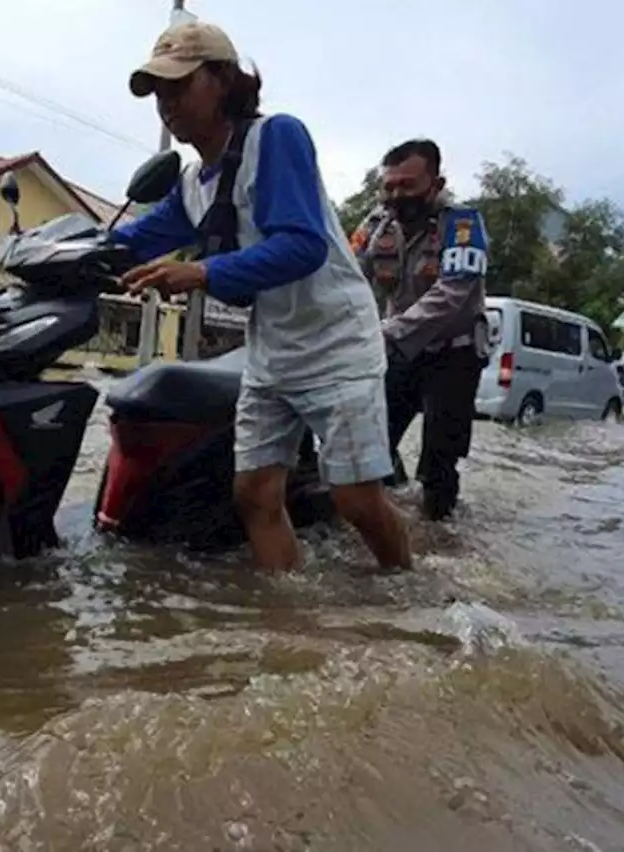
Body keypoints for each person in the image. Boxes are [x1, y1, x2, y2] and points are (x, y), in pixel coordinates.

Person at [112, 20, 412, 573]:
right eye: (159, 91)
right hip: (271, 350)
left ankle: (406, 593)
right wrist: (66, 248)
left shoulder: (275, 137)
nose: (166, 103)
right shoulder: (191, 184)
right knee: (253, 494)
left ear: (222, 80)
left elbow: (302, 247)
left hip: (335, 342)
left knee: (355, 501)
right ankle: (289, 618)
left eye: (179, 85)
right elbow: (136, 237)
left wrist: (201, 272)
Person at [351, 139, 491, 522]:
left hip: (454, 354)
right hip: (399, 350)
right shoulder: (375, 225)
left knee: (439, 463)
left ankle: (437, 533)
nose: (397, 196)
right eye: (390, 186)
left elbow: (453, 294)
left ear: (436, 182)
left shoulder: (462, 224)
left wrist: (389, 331)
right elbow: (346, 274)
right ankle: (384, 511)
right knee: (368, 445)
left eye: (408, 186)